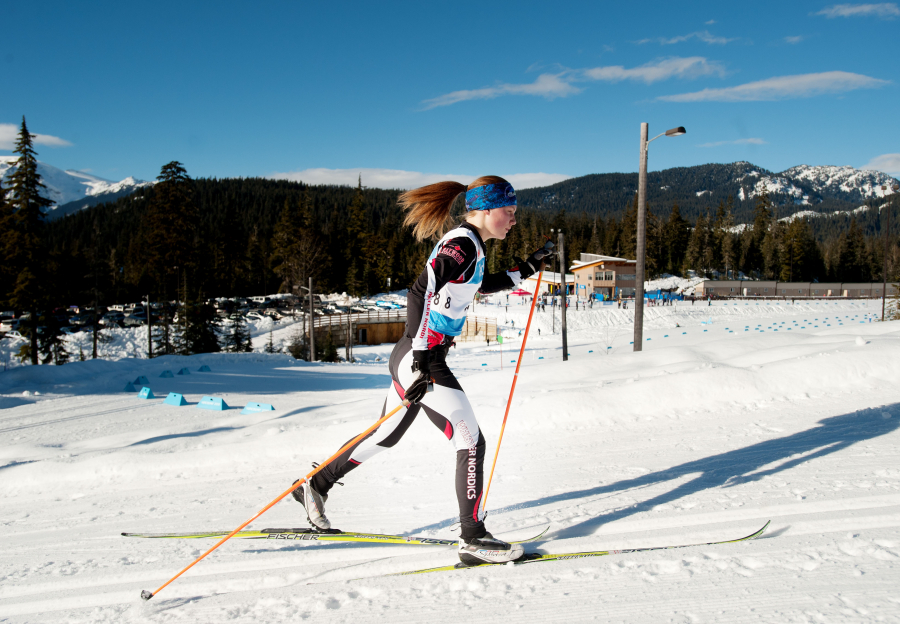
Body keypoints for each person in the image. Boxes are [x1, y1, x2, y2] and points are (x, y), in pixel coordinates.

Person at [293, 176, 553, 566]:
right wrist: (419, 361)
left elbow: (479, 286)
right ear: (483, 210)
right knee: (470, 441)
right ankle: (474, 537)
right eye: (508, 212)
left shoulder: (472, 246)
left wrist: (529, 267)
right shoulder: (462, 244)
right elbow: (420, 291)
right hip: (422, 357)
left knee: (385, 436)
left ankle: (315, 486)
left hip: (418, 354)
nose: (513, 220)